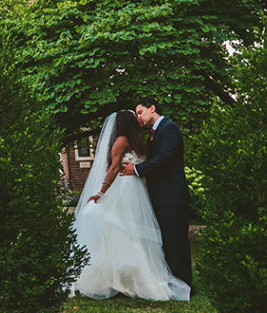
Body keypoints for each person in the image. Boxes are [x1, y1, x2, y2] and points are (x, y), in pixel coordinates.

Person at [70, 110, 190, 301]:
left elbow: (121, 167)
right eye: (136, 117)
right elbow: (118, 167)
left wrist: (104, 190)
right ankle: (128, 278)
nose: (139, 119)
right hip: (130, 189)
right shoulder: (130, 142)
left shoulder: (129, 141)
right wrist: (104, 190)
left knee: (130, 231)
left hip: (132, 188)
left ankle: (128, 278)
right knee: (129, 230)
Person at [121, 98, 193, 287]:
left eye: (140, 112)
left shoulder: (170, 129)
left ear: (152, 108)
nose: (138, 117)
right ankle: (171, 281)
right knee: (166, 241)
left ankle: (184, 285)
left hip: (172, 196)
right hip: (160, 195)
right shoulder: (154, 134)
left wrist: (137, 169)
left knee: (176, 241)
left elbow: (166, 157)